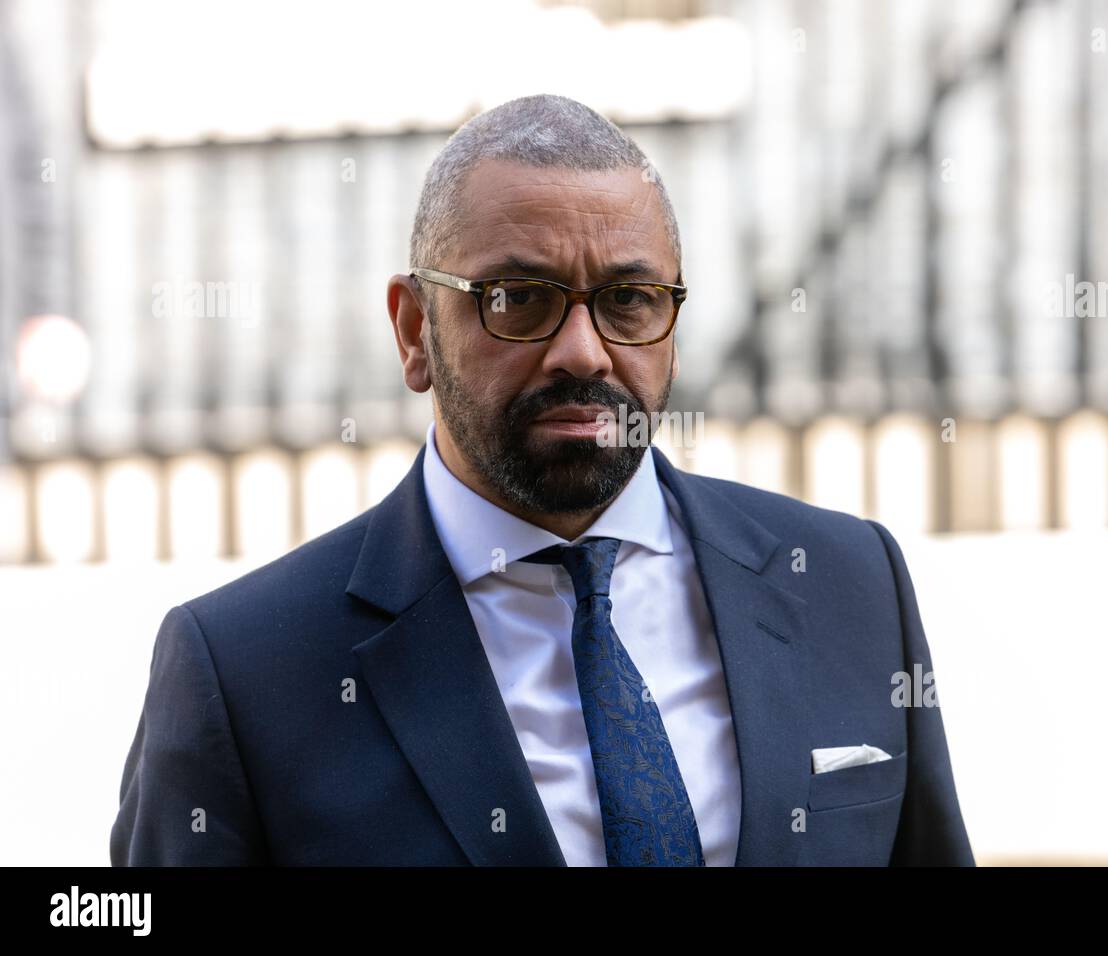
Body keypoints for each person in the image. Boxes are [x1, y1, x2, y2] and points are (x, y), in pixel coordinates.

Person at [110, 93, 974, 866]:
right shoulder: (244, 673)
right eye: (520, 298)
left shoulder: (849, 584)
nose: (584, 351)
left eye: (629, 299)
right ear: (416, 330)